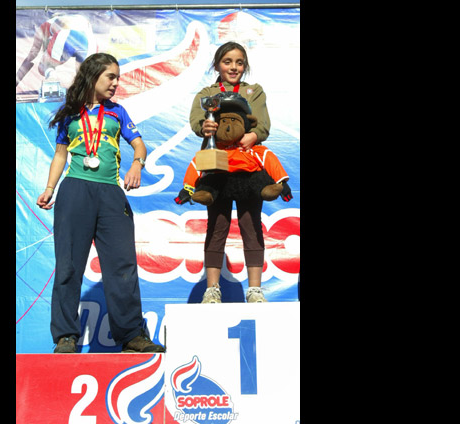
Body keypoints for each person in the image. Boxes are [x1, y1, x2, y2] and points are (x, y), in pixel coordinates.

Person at [36, 53, 165, 354]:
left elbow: (139, 144)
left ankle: (132, 335)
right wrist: (49, 188)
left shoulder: (117, 112)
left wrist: (137, 165)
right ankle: (66, 336)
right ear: (93, 76)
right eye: (110, 76)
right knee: (68, 265)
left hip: (110, 193)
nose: (116, 83)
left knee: (122, 265)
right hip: (75, 192)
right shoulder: (70, 113)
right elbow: (60, 154)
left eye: (117, 77)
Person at [188, 41, 282, 304]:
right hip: (217, 165)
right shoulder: (207, 92)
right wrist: (205, 127)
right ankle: (212, 290)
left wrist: (253, 135)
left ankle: (255, 290)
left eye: (239, 62)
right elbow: (196, 121)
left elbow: (263, 125)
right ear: (217, 64)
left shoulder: (255, 91)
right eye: (227, 61)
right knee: (217, 226)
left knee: (251, 225)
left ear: (245, 66)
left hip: (248, 166)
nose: (233, 67)